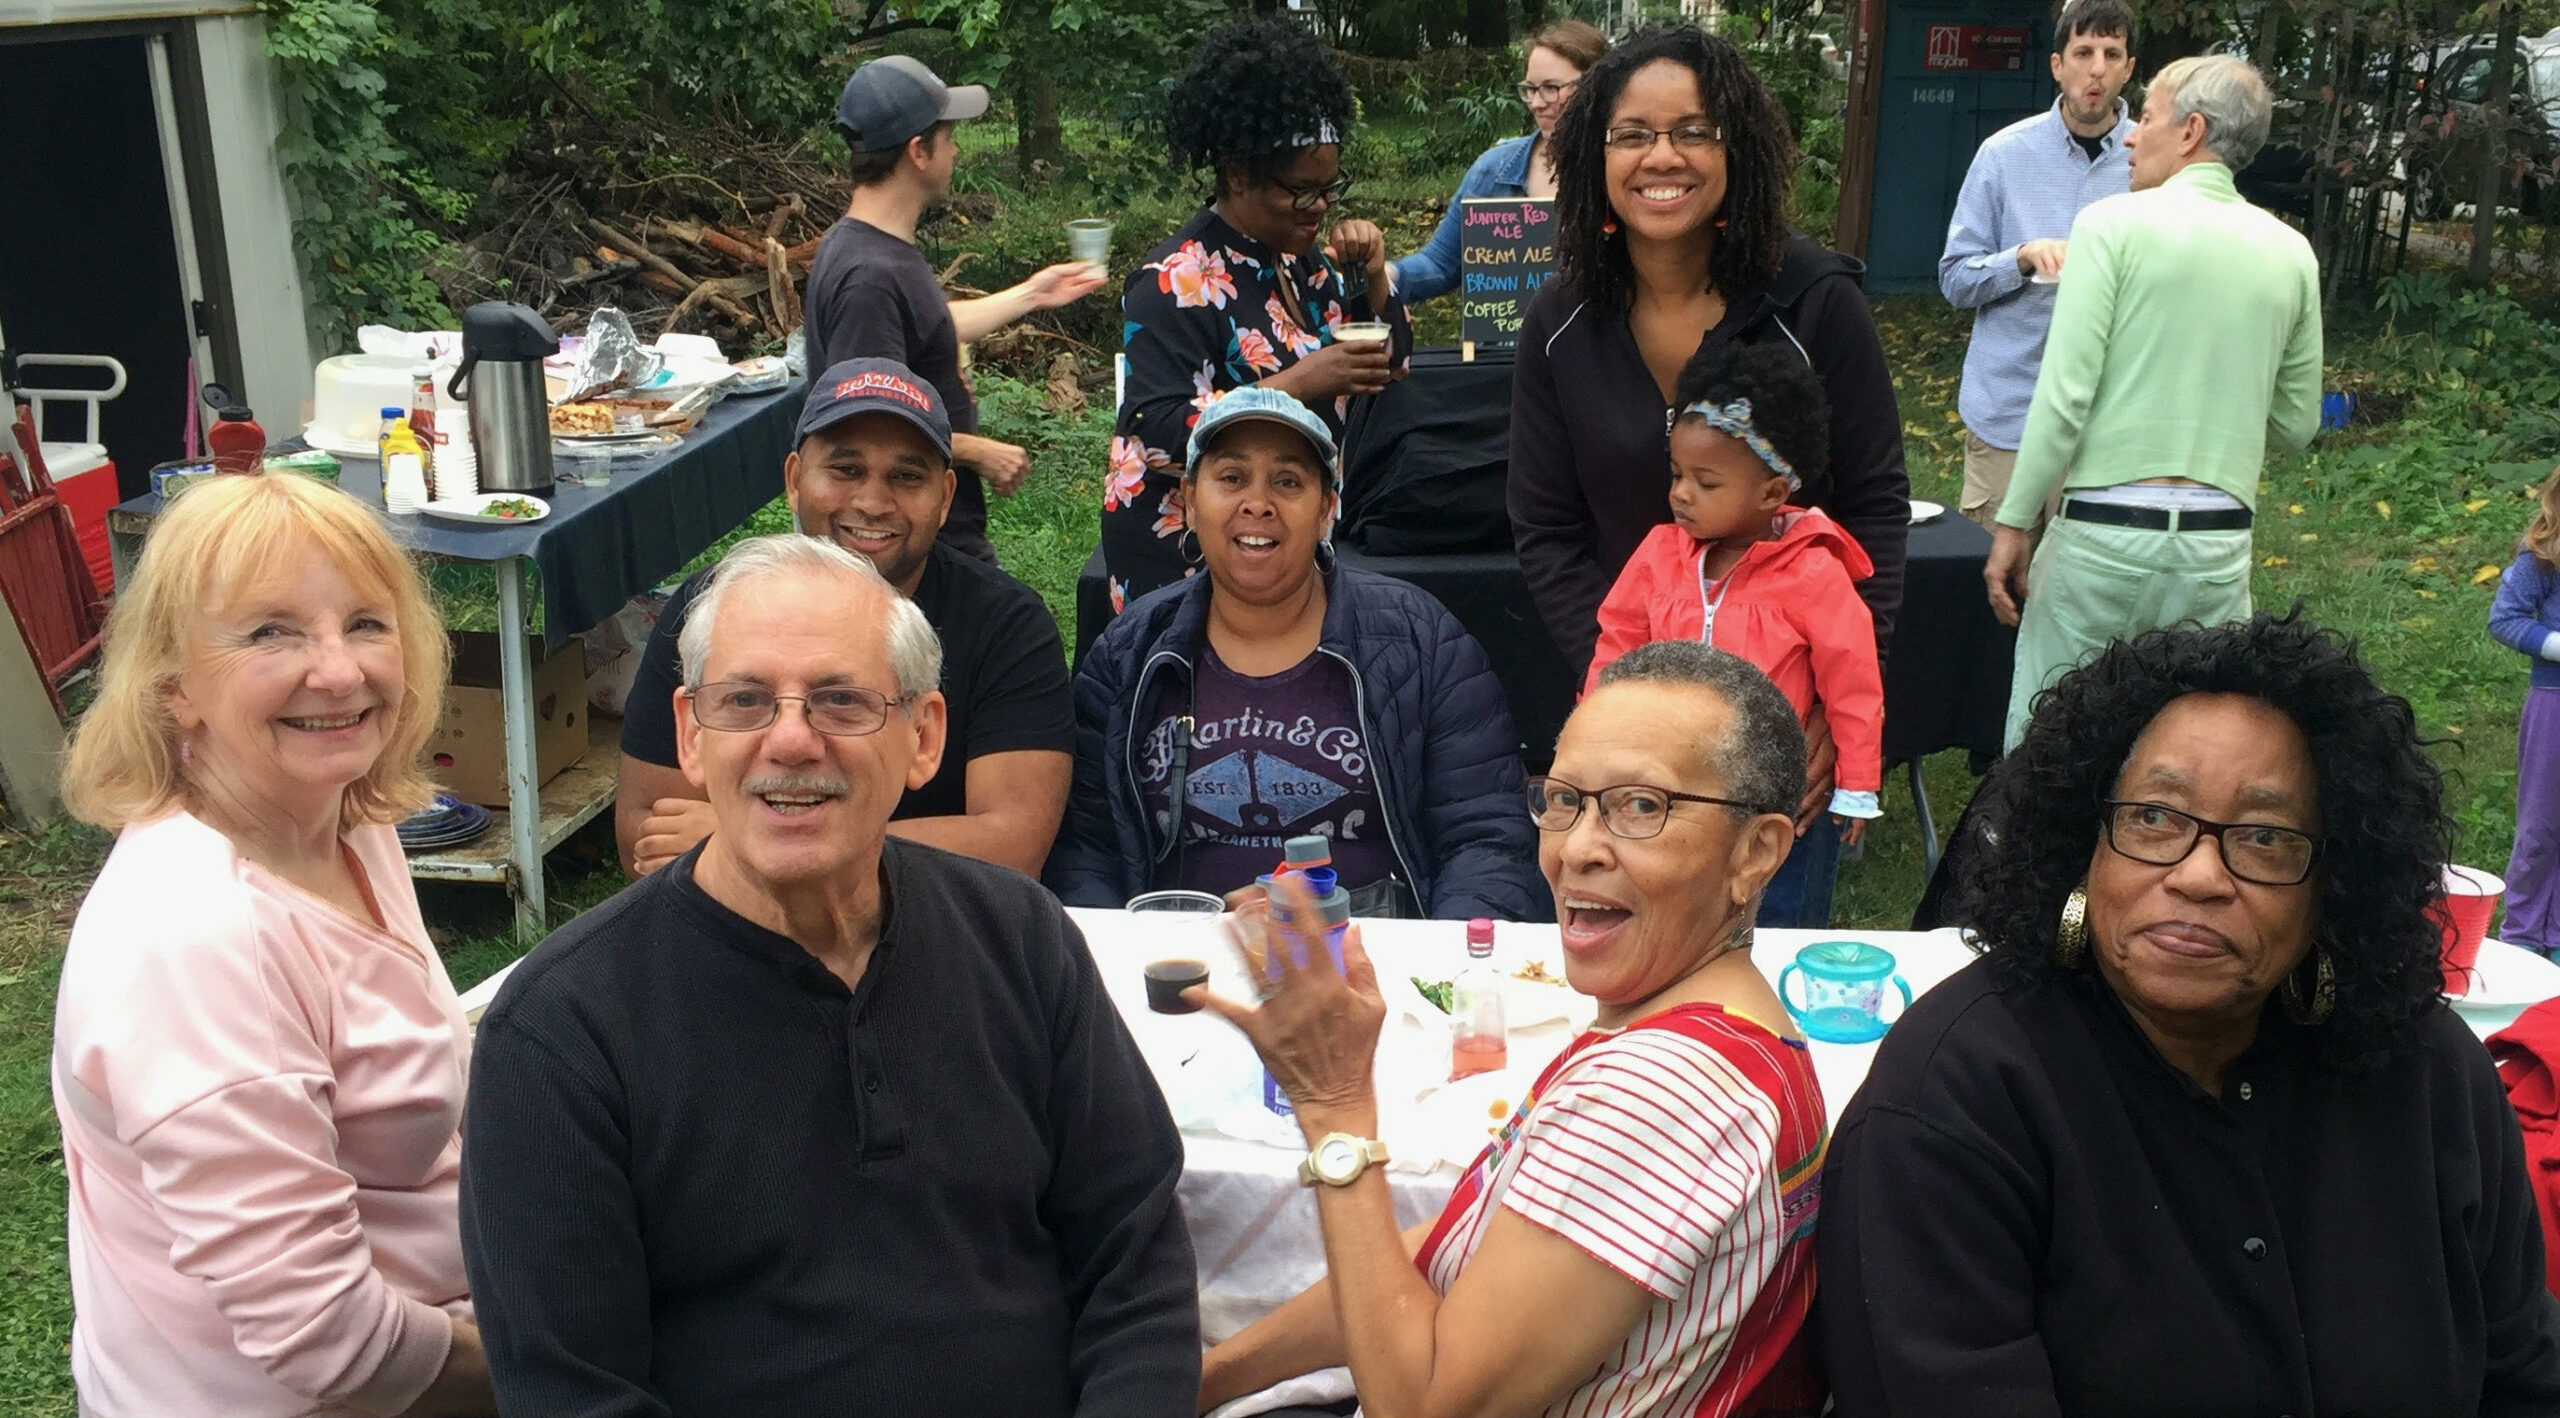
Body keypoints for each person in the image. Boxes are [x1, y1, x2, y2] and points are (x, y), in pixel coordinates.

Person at [462, 535, 1197, 1416]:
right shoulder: (560, 1036)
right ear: (691, 737)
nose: (791, 740)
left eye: (842, 701)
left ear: (923, 738)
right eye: (744, 700)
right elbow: (574, 1395)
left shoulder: (1020, 938)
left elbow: (1137, 1258)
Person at [1818, 613, 2560, 1415]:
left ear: (2335, 884)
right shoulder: (1954, 1100)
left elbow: (2524, 1376)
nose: (2200, 876)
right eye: (2155, 819)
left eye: (2266, 838)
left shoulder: (2427, 1069)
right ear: (2084, 842)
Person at [1194, 641, 1826, 1417]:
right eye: (1563, 800)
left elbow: (1425, 1409)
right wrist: (1209, 1379)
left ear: (1756, 852)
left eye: (1640, 807)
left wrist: (1335, 1108)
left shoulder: (1666, 1095)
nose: (1576, 851)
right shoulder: (1715, 1028)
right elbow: (1455, 1261)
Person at [50, 472, 491, 1416]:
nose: (338, 672)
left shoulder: (340, 817)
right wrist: (568, 1353)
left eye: (366, 623)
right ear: (174, 689)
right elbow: (333, 1348)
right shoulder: (197, 940)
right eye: (270, 633)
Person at [1508, 22, 1909, 837]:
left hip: (1782, 733)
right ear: (1594, 154)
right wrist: (1634, 692)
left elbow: (1874, 507)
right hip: (1633, 720)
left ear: (1739, 150)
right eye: (1633, 135)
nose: (1664, 157)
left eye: (1695, 131)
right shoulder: (1560, 321)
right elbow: (1547, 527)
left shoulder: (1817, 304)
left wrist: (1838, 705)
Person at [1050, 386, 1546, 921]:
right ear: (1191, 502)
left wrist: (1434, 981)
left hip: (1378, 968)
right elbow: (1086, 851)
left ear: (1327, 509)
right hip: (1181, 966)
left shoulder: (1422, 640)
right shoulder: (1129, 653)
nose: (1257, 503)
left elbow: (1487, 841)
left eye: (1288, 482)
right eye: (1232, 478)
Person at [615, 359, 1072, 879]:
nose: (874, 502)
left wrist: (748, 840)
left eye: (906, 476)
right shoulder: (714, 609)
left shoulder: (1006, 625)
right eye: (846, 470)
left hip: (935, 929)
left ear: (944, 498)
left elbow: (1012, 848)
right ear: (793, 479)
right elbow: (648, 833)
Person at [1983, 54, 2323, 751]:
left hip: (2104, 531)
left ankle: (2038, 857)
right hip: (2216, 545)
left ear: (2192, 130)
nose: (2133, 134)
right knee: (2179, 740)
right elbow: (2296, 426)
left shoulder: (2111, 227)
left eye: (2152, 116)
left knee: (2052, 736)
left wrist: (2015, 523)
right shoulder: (2291, 254)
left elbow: (2064, 397)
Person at [1103, 18, 1409, 611]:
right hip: (1185, 560)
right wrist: (1301, 384)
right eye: (1300, 190)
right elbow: (1157, 431)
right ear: (1238, 175)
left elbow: (1390, 365)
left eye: (1329, 187)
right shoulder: (1173, 280)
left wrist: (1374, 276)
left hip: (1281, 546)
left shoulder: (1305, 262)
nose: (1318, 206)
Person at [1587, 340, 1881, 930]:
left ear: (1773, 493)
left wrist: (1856, 783)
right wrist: (1597, 737)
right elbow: (1616, 645)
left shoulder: (1812, 573)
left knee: (1778, 914)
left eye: (1706, 482)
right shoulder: (1658, 556)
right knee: (1676, 906)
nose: (1680, 493)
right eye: (1676, 474)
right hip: (1669, 779)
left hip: (1776, 793)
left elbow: (1853, 684)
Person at [810, 54, 1108, 562]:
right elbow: (866, 425)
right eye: (948, 137)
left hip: (930, 533)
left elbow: (927, 329)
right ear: (918, 151)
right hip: (912, 546)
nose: (958, 149)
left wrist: (1033, 293)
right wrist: (979, 451)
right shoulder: (870, 277)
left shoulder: (878, 249)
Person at [1939, 0, 2137, 534]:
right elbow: (1955, 279)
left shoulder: (2149, 161)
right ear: (2057, 65)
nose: (2096, 68)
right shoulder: (2003, 155)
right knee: (1994, 590)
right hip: (2010, 413)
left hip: (2106, 426)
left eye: (2111, 53)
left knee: (2085, 603)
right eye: (2083, 52)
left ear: (2128, 68)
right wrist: (2020, 259)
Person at [1386, 19, 1610, 304]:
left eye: (1551, 87)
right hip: (1505, 347)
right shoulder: (1493, 171)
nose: (1536, 103)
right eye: (1530, 88)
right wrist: (1383, 274)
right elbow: (1440, 265)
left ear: (1595, 85)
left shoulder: (1623, 172)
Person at [2490, 464, 2560, 960]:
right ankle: (2521, 936)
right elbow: (2506, 619)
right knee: (2540, 826)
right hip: (2554, 702)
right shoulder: (2543, 555)